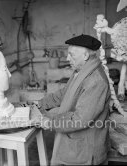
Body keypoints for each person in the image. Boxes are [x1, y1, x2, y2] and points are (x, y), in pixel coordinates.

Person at [35, 34, 111, 165]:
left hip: (86, 149)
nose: (67, 58)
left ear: (86, 56)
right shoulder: (80, 71)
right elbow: (63, 94)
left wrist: (50, 122)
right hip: (76, 141)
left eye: (71, 55)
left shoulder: (96, 81)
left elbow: (80, 119)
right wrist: (39, 104)